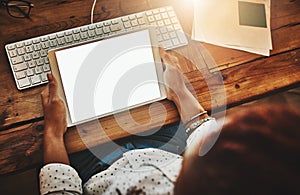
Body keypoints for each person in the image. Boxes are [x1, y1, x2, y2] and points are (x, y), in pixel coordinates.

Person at [39, 49, 300, 194]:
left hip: (95, 169)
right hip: (169, 149)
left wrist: (52, 132)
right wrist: (180, 91)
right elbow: (203, 134)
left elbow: (61, 190)